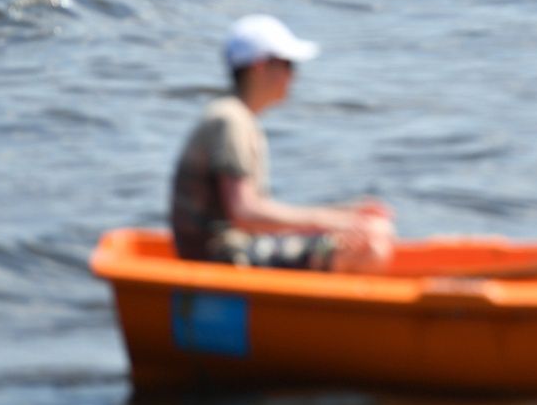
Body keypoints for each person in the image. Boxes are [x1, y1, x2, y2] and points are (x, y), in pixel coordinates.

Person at [169, 14, 394, 271]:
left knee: (373, 227)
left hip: (233, 246)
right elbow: (244, 212)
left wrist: (347, 213)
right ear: (260, 67)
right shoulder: (230, 120)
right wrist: (332, 221)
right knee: (368, 245)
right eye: (288, 65)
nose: (293, 76)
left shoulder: (236, 117)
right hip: (223, 257)